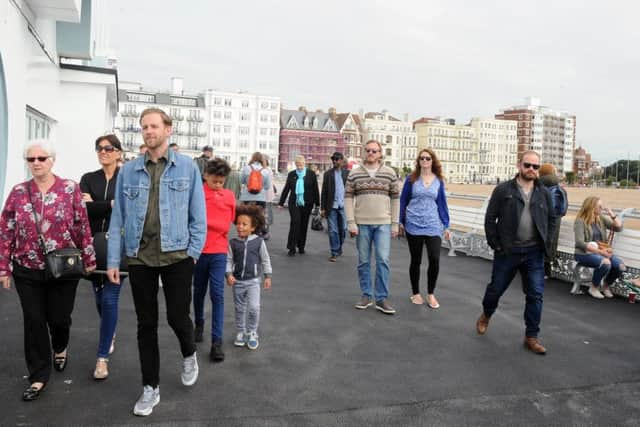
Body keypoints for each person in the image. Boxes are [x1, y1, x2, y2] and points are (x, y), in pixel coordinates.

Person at [106, 108, 206, 416]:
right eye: (144, 127)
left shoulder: (187, 168)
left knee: (178, 317)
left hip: (178, 255)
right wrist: (114, 258)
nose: (148, 131)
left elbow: (198, 217)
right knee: (145, 324)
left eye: (153, 126)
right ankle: (150, 388)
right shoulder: (129, 170)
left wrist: (192, 253)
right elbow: (118, 217)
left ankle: (189, 353)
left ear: (168, 129)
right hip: (140, 257)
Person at [0, 139, 96, 401]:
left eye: (42, 158)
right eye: (31, 159)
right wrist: (3, 268)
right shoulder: (18, 192)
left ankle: (61, 345)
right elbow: (6, 230)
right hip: (26, 268)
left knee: (59, 318)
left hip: (63, 267)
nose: (36, 163)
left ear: (52, 160)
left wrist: (89, 257)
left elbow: (81, 226)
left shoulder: (69, 188)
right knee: (33, 321)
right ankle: (38, 376)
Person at [476, 150, 556, 355]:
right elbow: (490, 218)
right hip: (508, 251)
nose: (531, 169)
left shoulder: (544, 193)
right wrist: (496, 244)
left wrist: (547, 244)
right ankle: (486, 314)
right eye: (527, 165)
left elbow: (552, 220)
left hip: (534, 252)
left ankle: (531, 336)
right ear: (519, 165)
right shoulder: (504, 190)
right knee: (495, 289)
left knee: (536, 294)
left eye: (535, 167)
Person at [79, 134, 123, 381]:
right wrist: (111, 204)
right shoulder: (88, 178)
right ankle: (111, 330)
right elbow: (83, 208)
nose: (103, 152)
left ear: (118, 152)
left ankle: (102, 358)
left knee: (109, 299)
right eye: (99, 148)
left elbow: (127, 208)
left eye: (108, 148)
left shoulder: (126, 178)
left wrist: (98, 204)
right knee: (98, 297)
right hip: (92, 245)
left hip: (119, 245)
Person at [345, 140, 400, 315]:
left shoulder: (390, 173)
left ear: (380, 153)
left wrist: (395, 223)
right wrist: (351, 222)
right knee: (364, 261)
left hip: (383, 222)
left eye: (374, 151)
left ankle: (381, 298)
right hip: (362, 223)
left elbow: (395, 199)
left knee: (383, 260)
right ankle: (366, 295)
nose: (371, 153)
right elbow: (347, 199)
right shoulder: (354, 174)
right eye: (368, 150)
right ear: (364, 152)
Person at [193, 158, 236, 362]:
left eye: (222, 181)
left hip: (219, 251)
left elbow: (234, 219)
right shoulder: (198, 193)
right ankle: (199, 323)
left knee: (217, 294)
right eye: (215, 181)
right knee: (199, 291)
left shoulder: (229, 196)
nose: (218, 185)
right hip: (199, 251)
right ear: (206, 176)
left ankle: (216, 341)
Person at [399, 149, 451, 308]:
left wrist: (446, 224)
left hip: (433, 225)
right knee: (416, 260)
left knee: (434, 259)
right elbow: (403, 201)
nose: (424, 161)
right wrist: (400, 221)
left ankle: (431, 294)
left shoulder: (438, 181)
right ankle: (415, 293)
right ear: (418, 161)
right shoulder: (411, 179)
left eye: (428, 158)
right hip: (413, 224)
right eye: (421, 158)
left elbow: (442, 203)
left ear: (432, 161)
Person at [226, 204, 272, 350]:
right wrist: (228, 274)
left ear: (253, 227)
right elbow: (228, 260)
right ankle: (241, 332)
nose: (240, 226)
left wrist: (267, 275)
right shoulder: (232, 243)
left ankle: (252, 332)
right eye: (238, 223)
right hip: (238, 282)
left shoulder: (259, 242)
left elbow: (265, 259)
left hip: (253, 282)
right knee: (239, 308)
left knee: (254, 307)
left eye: (244, 224)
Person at [573, 196, 624, 299]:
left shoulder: (600, 219)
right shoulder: (580, 221)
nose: (602, 208)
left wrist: (611, 214)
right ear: (592, 207)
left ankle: (605, 286)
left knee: (620, 266)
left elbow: (619, 228)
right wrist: (601, 253)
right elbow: (579, 243)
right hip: (583, 253)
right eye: (600, 206)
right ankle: (594, 287)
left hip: (601, 252)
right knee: (605, 262)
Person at [278, 155, 320, 256]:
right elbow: (286, 189)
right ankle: (291, 247)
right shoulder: (292, 174)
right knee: (295, 223)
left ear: (304, 164)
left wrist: (317, 204)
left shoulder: (311, 174)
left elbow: (315, 190)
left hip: (307, 203)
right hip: (294, 203)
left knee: (304, 225)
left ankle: (301, 246)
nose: (299, 167)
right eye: (297, 165)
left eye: (301, 165)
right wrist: (281, 203)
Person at [538, 163, 568, 277]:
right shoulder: (560, 189)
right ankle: (547, 270)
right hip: (556, 219)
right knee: (551, 242)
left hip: (541, 218)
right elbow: (564, 210)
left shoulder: (538, 185)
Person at [320, 152, 349, 262]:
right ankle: (334, 252)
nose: (335, 161)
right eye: (333, 159)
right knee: (332, 230)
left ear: (342, 160)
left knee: (343, 229)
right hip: (331, 206)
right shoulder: (328, 174)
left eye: (337, 159)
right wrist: (322, 208)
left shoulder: (347, 174)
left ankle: (339, 247)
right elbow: (324, 192)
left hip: (344, 206)